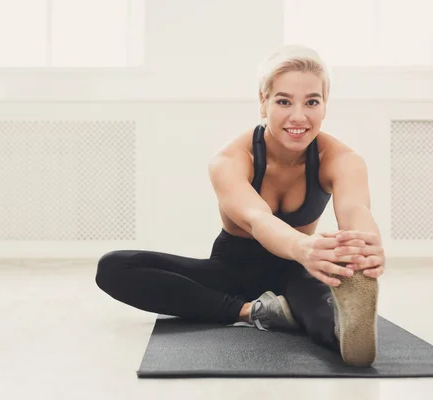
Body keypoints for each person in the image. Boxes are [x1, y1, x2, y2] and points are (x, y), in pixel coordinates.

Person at [95, 45, 386, 368]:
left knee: (327, 321)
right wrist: (305, 247)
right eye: (284, 101)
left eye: (312, 102)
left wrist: (364, 246)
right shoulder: (231, 159)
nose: (299, 116)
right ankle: (253, 311)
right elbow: (257, 219)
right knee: (114, 267)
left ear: (325, 106)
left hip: (296, 270)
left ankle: (334, 328)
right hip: (231, 268)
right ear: (263, 102)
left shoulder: (343, 159)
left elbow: (356, 209)